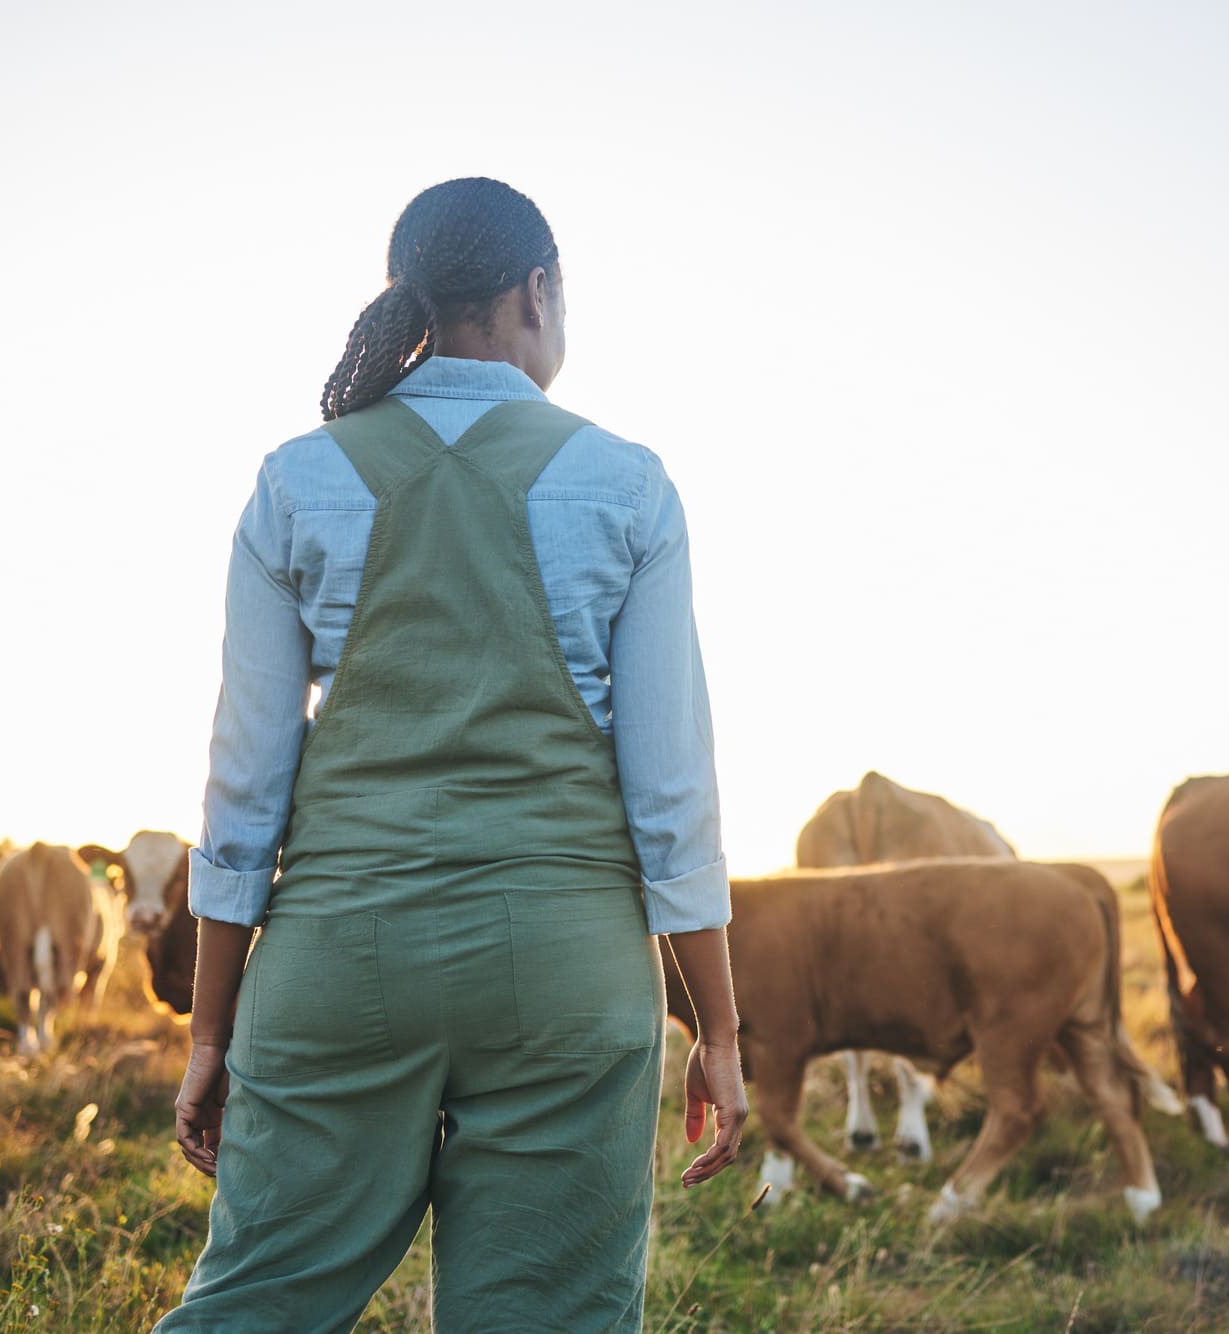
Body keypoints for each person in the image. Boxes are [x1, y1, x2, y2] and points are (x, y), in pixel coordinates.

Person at [156, 177, 747, 1333]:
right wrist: (717, 1031)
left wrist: (211, 1029)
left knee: (250, 1308)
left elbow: (242, 792)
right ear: (537, 292)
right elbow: (671, 792)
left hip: (337, 957)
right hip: (566, 974)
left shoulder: (297, 477)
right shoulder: (626, 482)